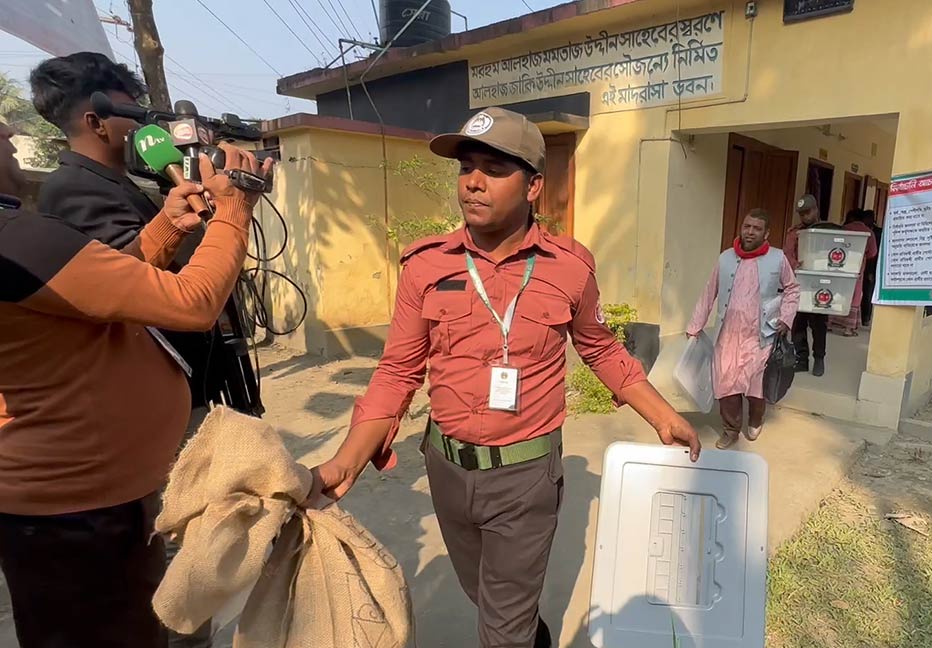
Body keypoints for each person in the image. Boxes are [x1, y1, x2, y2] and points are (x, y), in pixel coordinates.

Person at [306, 107, 701, 648]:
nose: (472, 182)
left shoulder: (569, 267)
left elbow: (600, 347)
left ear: (534, 185)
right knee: (488, 598)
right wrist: (347, 460)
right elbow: (398, 369)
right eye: (467, 168)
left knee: (502, 628)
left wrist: (664, 416)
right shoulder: (426, 265)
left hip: (524, 478)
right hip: (445, 469)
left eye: (494, 169)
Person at [0, 123, 271, 648]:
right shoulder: (18, 238)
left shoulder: (19, 241)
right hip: (77, 514)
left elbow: (102, 288)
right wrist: (236, 206)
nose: (9, 129)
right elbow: (192, 303)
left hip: (75, 508)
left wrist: (166, 231)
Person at [30, 52, 218, 648]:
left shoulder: (118, 184)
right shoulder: (72, 192)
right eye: (132, 115)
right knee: (179, 544)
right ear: (98, 119)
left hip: (181, 384)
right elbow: (146, 291)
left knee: (192, 537)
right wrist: (219, 215)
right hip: (137, 407)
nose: (142, 128)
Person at [687, 209, 800, 449]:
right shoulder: (725, 258)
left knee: (754, 383)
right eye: (747, 226)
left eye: (756, 228)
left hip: (761, 334)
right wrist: (694, 326)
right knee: (727, 382)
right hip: (728, 334)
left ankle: (756, 418)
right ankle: (730, 429)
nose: (750, 232)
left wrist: (786, 318)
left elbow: (792, 289)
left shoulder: (778, 259)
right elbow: (710, 292)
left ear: (766, 233)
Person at [784, 194, 837, 377]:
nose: (805, 217)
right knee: (798, 322)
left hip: (821, 283)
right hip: (799, 282)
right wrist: (794, 263)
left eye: (808, 212)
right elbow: (787, 254)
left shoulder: (828, 231)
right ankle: (802, 359)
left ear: (816, 210)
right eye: (802, 214)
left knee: (819, 323)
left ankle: (819, 358)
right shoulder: (794, 232)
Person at [829, 209, 878, 336]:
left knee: (837, 291)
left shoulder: (843, 229)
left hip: (839, 264)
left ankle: (829, 323)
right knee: (855, 294)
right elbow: (873, 252)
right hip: (857, 267)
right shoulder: (869, 232)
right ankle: (848, 328)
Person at [861, 209, 883, 327]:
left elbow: (877, 253)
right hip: (861, 265)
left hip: (872, 266)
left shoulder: (878, 233)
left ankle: (866, 317)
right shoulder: (864, 231)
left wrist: (873, 271)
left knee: (868, 293)